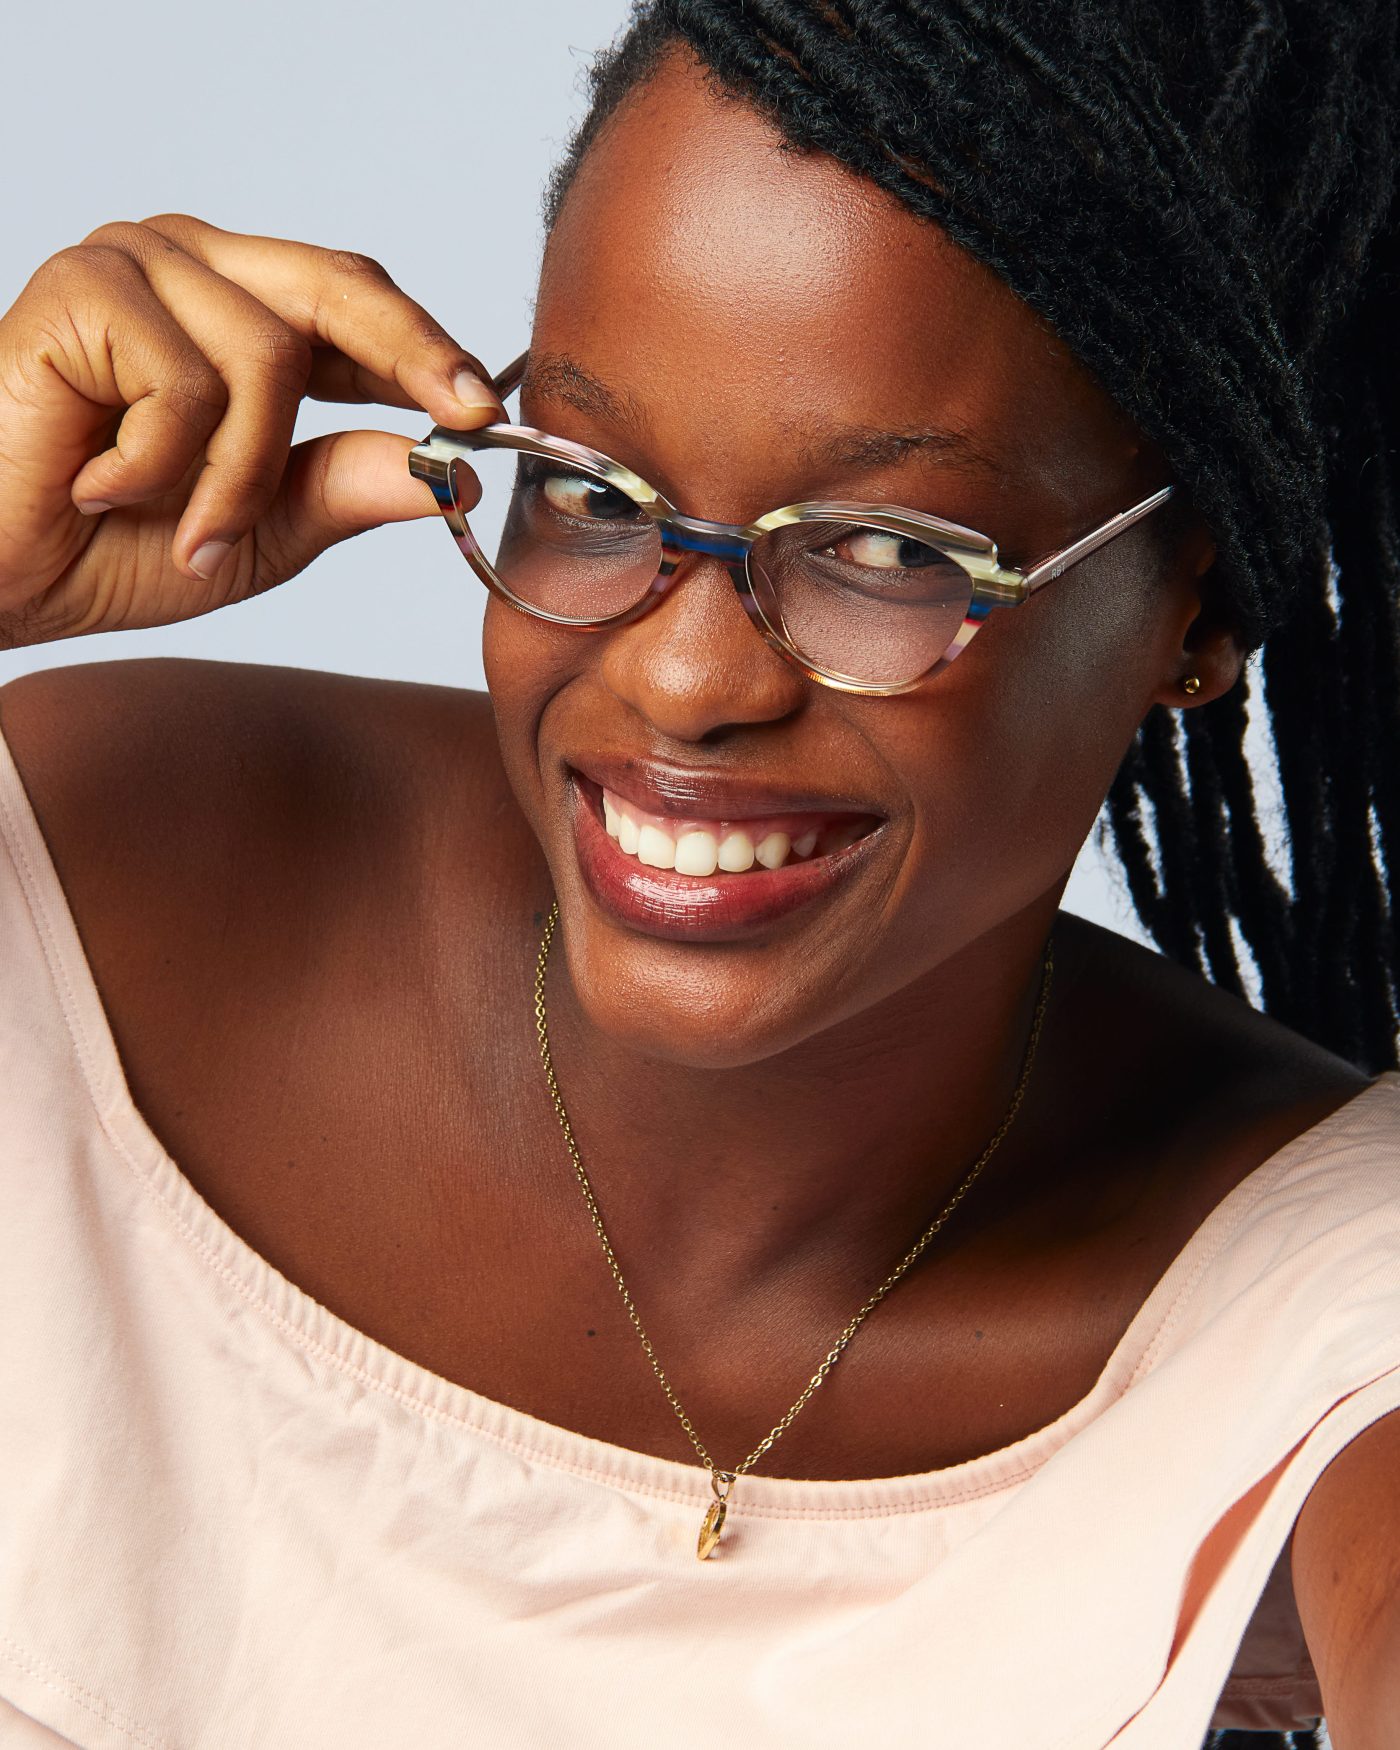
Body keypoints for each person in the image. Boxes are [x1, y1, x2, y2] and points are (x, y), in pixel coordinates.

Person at [0, 2, 1396, 1746]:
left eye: (884, 549)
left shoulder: (1332, 1313)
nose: (680, 679)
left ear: (1197, 611)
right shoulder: (84, 873)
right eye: (594, 492)